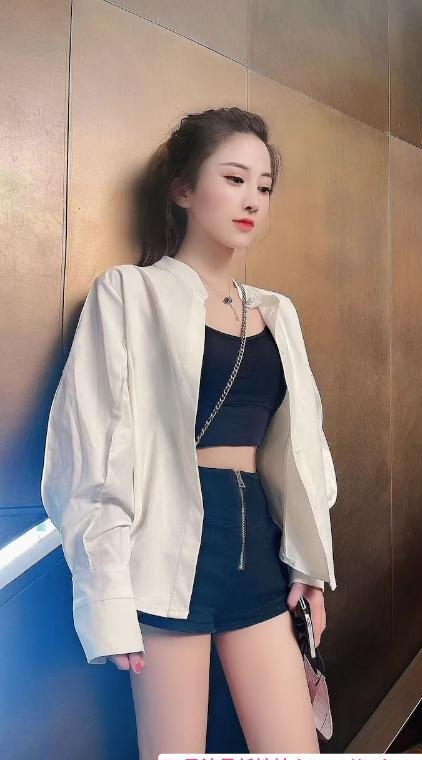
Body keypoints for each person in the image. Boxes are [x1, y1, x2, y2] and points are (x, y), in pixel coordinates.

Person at [41, 107, 338, 757]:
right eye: (234, 179)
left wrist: (310, 568)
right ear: (183, 188)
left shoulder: (278, 312)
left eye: (264, 187)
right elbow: (91, 451)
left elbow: (302, 455)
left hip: (258, 552)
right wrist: (107, 597)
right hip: (169, 553)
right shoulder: (129, 293)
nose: (252, 200)